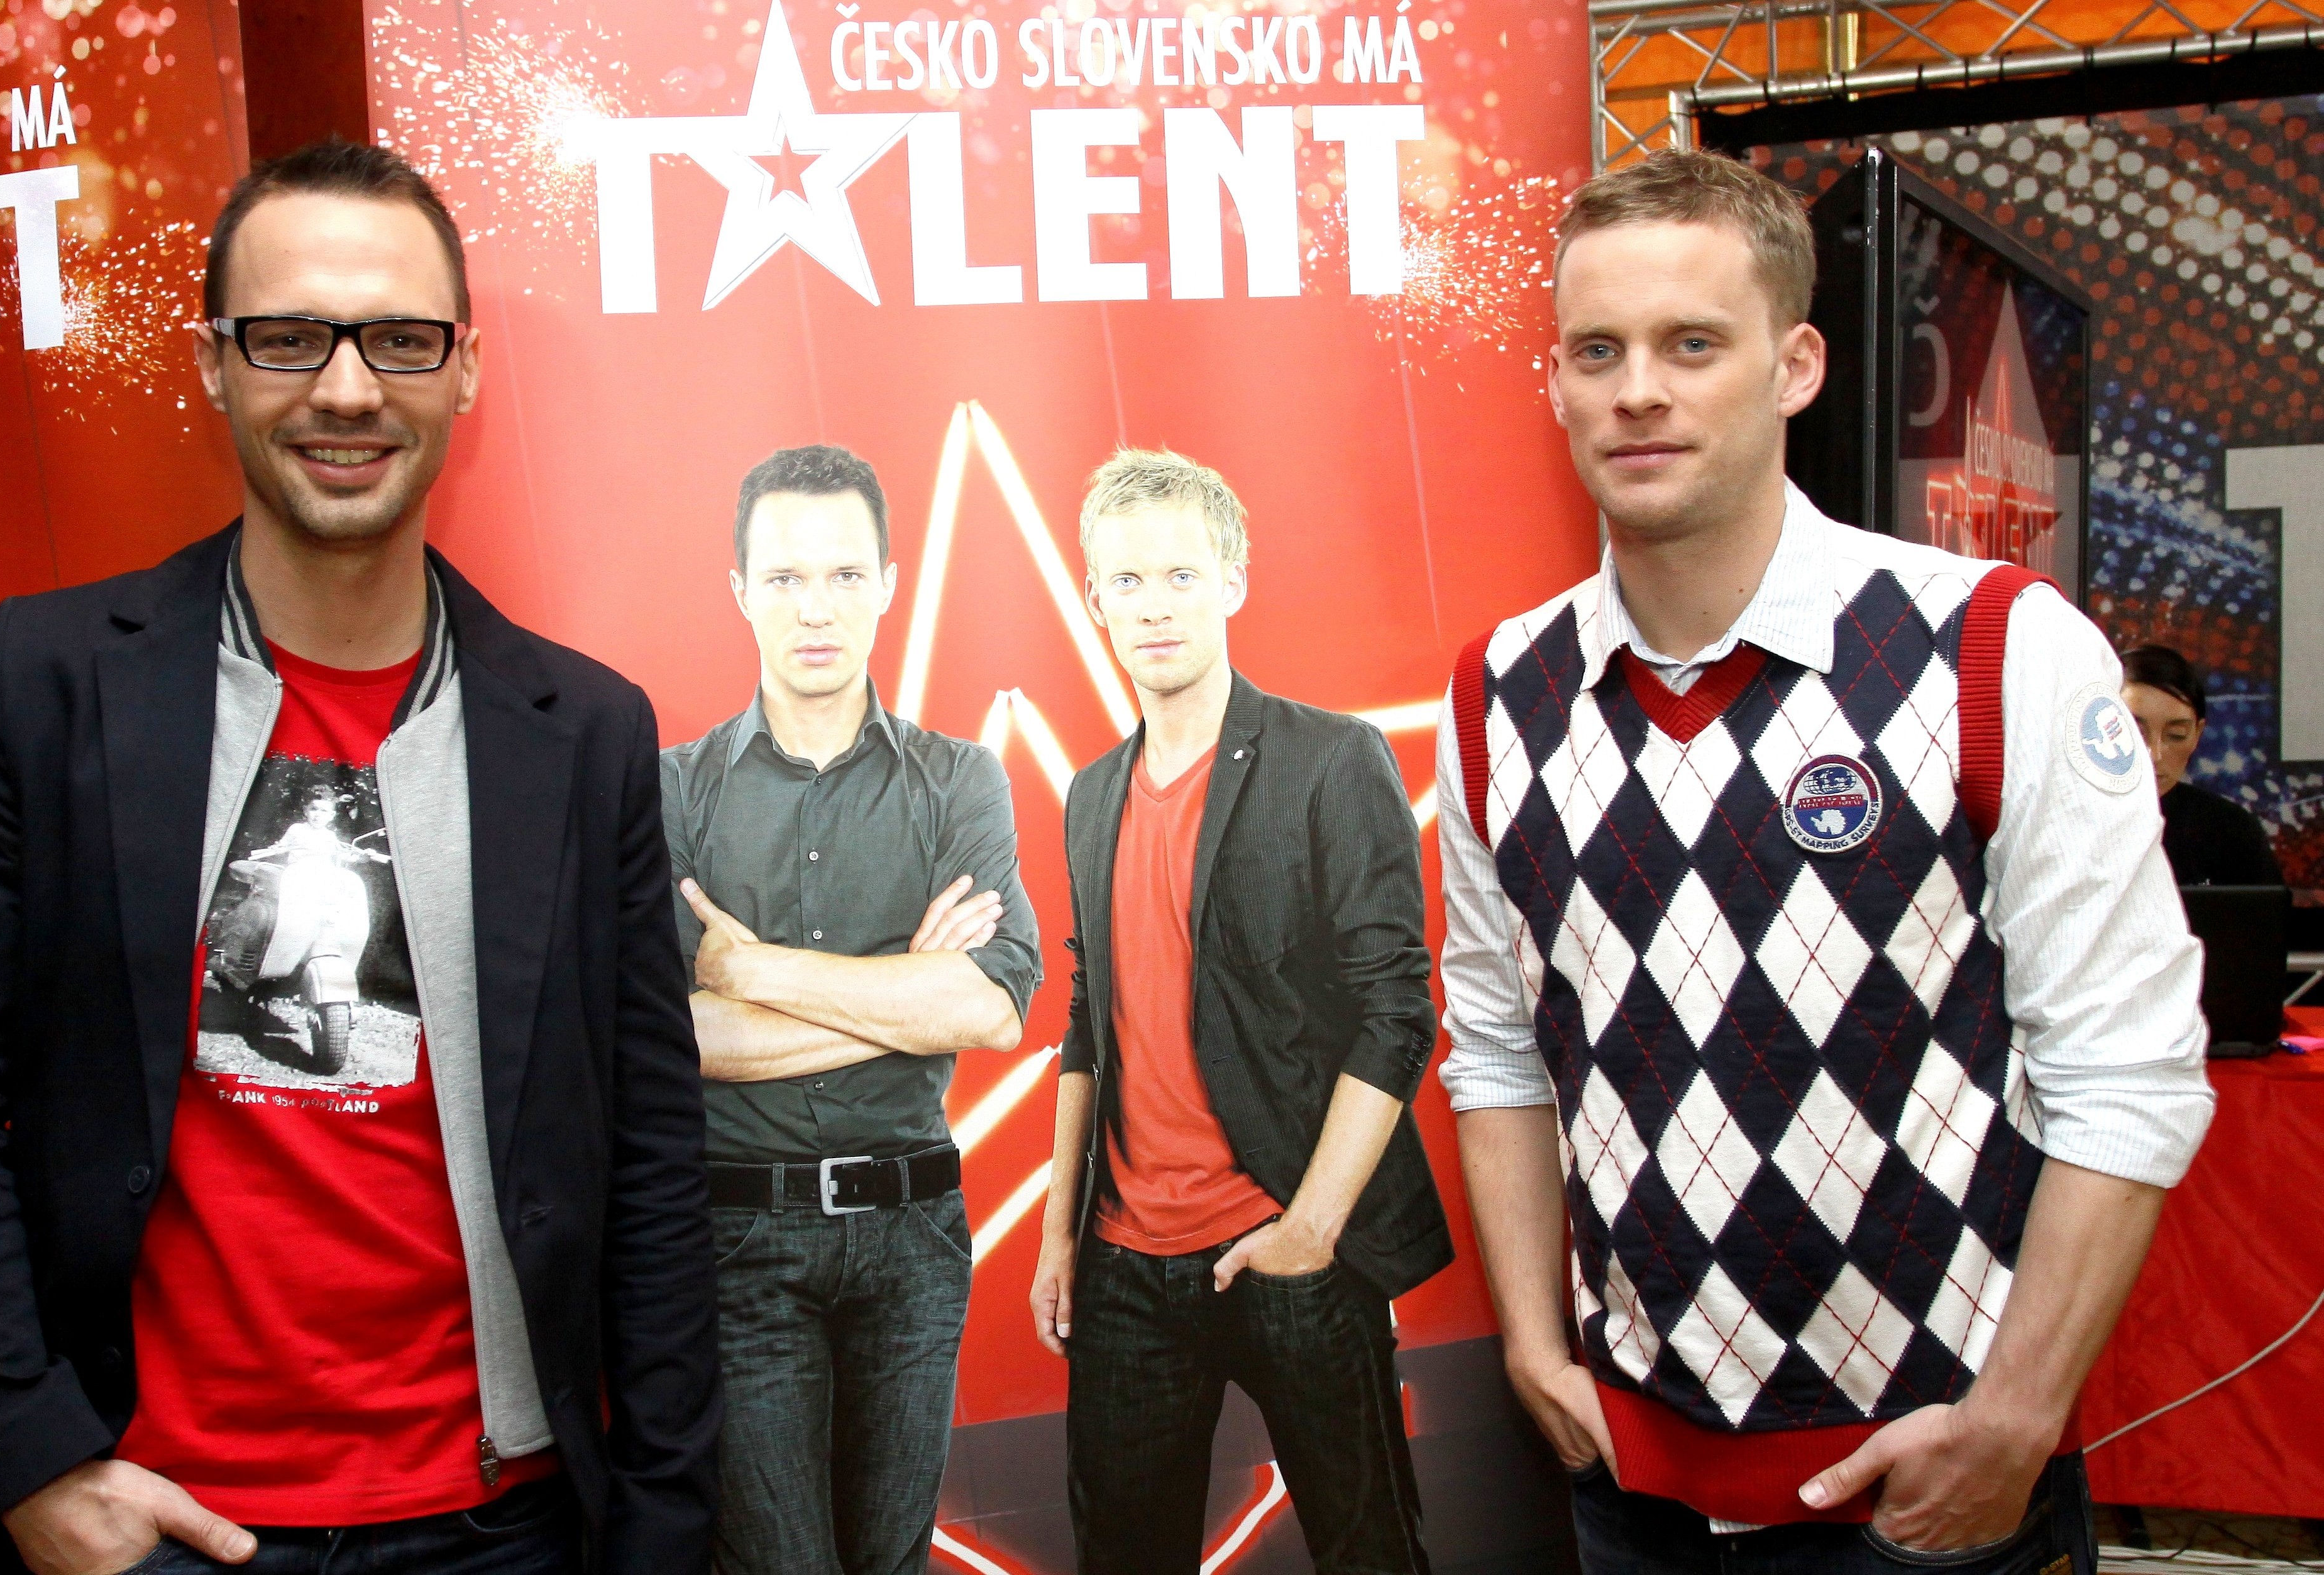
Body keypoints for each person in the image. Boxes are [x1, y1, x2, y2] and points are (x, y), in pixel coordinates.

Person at [0, 140, 717, 1575]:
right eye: (289, 336)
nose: (347, 388)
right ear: (213, 363)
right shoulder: (49, 682)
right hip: (151, 1524)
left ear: (464, 370)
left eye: (399, 338)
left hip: (496, 1529)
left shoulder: (585, 733)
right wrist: (33, 1457)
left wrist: (665, 1530)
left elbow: (651, 1160)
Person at [1438, 147, 2215, 1574]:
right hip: (1632, 1487)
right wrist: (1536, 1346)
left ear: (1795, 366)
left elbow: (2130, 1067)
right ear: (1553, 381)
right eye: (1596, 350)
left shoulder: (1994, 646)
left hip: (1930, 1494)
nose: (1638, 390)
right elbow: (1496, 1047)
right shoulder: (1502, 691)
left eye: (1692, 343)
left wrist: (2016, 1419)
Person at [1029, 448, 1450, 1575]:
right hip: (1124, 1267)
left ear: (1233, 581)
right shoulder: (1091, 794)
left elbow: (1397, 1011)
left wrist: (1311, 1229)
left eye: (1181, 575)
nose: (1154, 606)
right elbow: (1088, 1019)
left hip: (1290, 1244)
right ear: (1095, 601)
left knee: (1371, 1555)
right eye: (1127, 582)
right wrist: (1060, 1234)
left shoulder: (1332, 760)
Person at [661, 444, 1042, 1575]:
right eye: (785, 578)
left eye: (842, 576)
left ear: (887, 585)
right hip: (739, 1236)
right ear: (741, 590)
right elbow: (677, 1036)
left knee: (891, 1565)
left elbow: (991, 1009)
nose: (815, 608)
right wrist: (901, 992)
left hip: (914, 1234)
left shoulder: (959, 779)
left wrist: (754, 972)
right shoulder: (673, 789)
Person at [2120, 643, 2282, 887]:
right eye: (2136, 732)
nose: (2155, 755)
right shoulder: (2068, 824)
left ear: (2197, 733)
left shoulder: (2233, 832)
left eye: (2176, 735)